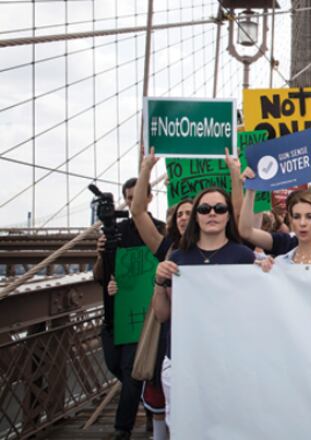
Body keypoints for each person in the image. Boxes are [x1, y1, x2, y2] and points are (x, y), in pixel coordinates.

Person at [153, 188, 255, 429]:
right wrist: (158, 282)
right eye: (204, 209)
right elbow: (162, 314)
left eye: (220, 209)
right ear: (196, 216)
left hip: (228, 361)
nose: (212, 214)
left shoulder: (245, 257)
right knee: (186, 427)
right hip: (184, 360)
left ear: (229, 216)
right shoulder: (177, 259)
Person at [129, 149, 196, 440]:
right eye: (179, 213)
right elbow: (138, 212)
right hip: (170, 336)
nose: (184, 217)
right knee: (160, 398)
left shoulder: (219, 247)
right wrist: (147, 169)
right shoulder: (166, 247)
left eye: (190, 212)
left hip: (206, 337)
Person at [93, 177, 164, 440]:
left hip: (143, 317)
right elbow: (98, 275)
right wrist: (100, 254)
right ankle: (151, 399)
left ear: (150, 198)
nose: (134, 201)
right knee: (115, 364)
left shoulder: (159, 230)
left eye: (139, 196)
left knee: (129, 369)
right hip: (114, 315)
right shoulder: (115, 231)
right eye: (129, 197)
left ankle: (122, 429)